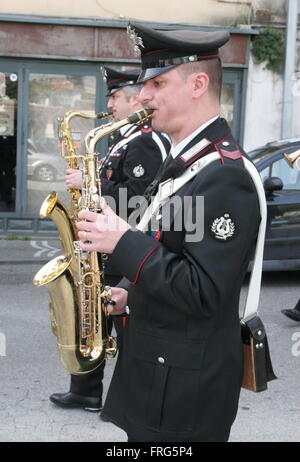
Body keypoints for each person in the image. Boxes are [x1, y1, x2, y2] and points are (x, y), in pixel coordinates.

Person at [75, 23, 262, 442]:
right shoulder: (186, 157)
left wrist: (121, 242)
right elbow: (171, 242)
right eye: (144, 84)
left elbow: (202, 290)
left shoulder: (225, 175)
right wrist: (129, 290)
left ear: (198, 84)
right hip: (161, 375)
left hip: (181, 394)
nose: (142, 95)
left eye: (157, 82)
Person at [49, 66, 170, 413]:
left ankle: (135, 396)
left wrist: (89, 186)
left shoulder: (146, 141)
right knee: (94, 315)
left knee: (122, 319)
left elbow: (137, 200)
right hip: (107, 244)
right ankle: (86, 388)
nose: (110, 103)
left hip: (123, 243)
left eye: (116, 96)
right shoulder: (123, 139)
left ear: (135, 98)